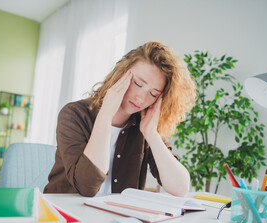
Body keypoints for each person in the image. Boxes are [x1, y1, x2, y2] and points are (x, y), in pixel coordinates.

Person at [44, 41, 196, 197]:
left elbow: (180, 189)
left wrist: (152, 135)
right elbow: (86, 186)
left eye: (153, 94)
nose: (141, 98)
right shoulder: (74, 114)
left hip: (116, 218)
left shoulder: (143, 125)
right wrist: (105, 115)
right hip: (65, 213)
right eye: (138, 83)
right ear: (121, 73)